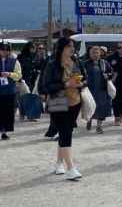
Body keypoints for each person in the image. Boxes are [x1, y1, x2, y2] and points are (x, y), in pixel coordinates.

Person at [42, 37, 86, 180]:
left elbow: (85, 78)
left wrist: (81, 83)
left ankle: (59, 163)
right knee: (65, 132)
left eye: (73, 46)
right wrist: (66, 84)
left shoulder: (77, 62)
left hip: (75, 102)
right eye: (69, 46)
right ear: (61, 48)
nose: (72, 48)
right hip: (58, 102)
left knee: (65, 132)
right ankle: (71, 168)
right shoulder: (52, 64)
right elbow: (46, 86)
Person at [83, 46, 113, 134]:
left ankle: (99, 126)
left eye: (97, 52)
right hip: (90, 90)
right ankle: (89, 120)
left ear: (100, 53)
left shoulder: (104, 63)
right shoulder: (85, 64)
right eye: (93, 53)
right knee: (90, 106)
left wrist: (108, 75)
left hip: (102, 90)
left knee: (102, 108)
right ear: (90, 54)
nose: (95, 54)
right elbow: (81, 74)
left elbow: (111, 72)